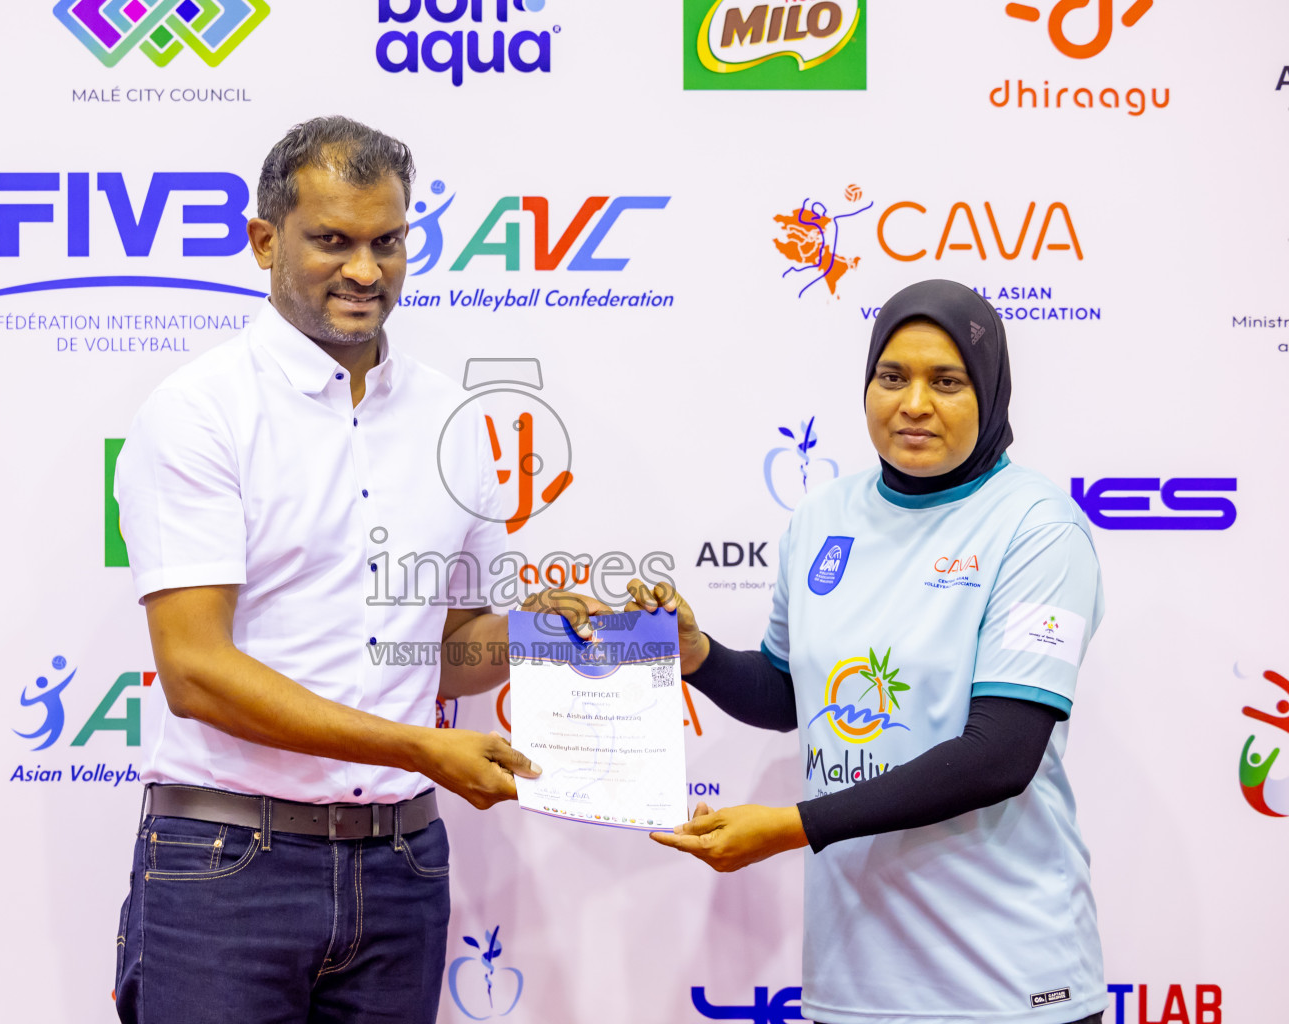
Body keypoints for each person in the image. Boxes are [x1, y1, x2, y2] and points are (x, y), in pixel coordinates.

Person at [110, 115, 598, 1024]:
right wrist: (419, 746)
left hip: (402, 869)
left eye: (387, 241)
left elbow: (444, 652)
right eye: (332, 241)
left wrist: (552, 633)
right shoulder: (199, 413)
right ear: (265, 242)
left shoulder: (456, 419)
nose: (365, 271)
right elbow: (194, 673)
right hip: (226, 864)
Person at [635, 279, 1107, 1024]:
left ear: (989, 392)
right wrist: (699, 656)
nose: (913, 403)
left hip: (1008, 985)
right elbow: (791, 695)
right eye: (893, 377)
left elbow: (1001, 755)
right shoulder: (823, 516)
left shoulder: (1038, 529)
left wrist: (793, 826)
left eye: (946, 381)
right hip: (854, 984)